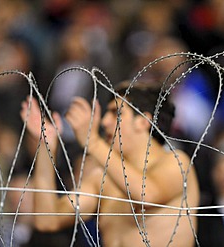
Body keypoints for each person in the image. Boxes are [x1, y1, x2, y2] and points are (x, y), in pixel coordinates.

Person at [20, 81, 200, 246]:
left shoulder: (176, 162)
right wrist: (46, 146)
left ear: (144, 121)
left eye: (116, 113)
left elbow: (147, 195)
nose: (105, 122)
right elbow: (48, 220)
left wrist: (93, 142)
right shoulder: (103, 179)